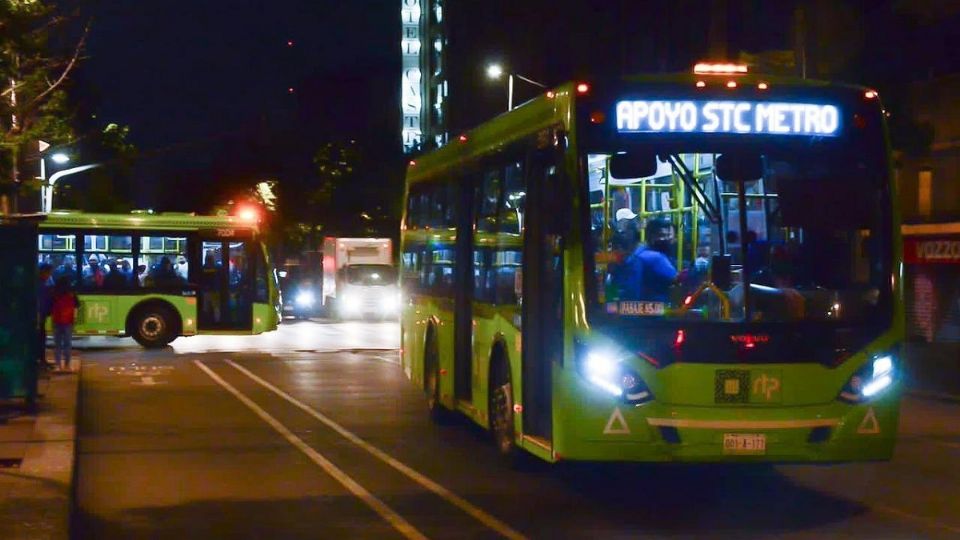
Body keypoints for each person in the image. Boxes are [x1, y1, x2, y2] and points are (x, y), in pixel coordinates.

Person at [618, 218, 678, 302]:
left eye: (667, 235)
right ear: (651, 236)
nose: (666, 239)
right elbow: (676, 278)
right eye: (662, 235)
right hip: (655, 306)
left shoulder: (638, 252)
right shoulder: (656, 258)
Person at [50, 277, 79, 372]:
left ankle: (58, 365)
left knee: (57, 345)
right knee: (67, 344)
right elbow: (76, 306)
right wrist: (74, 319)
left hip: (57, 321)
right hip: (68, 321)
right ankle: (67, 365)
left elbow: (51, 307)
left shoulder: (54, 293)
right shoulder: (71, 294)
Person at [37, 263, 55, 369]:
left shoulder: (42, 284)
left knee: (41, 338)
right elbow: (41, 302)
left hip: (41, 316)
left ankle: (42, 360)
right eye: (48, 273)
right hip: (39, 316)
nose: (49, 275)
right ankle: (41, 361)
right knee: (40, 338)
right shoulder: (40, 285)